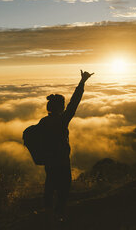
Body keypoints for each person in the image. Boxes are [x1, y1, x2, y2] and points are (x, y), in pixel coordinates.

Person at [39, 70, 94, 223]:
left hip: (49, 161)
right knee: (64, 188)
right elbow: (74, 102)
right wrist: (82, 82)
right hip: (62, 161)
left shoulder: (43, 122)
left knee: (50, 185)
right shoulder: (62, 120)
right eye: (63, 105)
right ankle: (58, 216)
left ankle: (47, 214)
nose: (65, 107)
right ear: (60, 108)